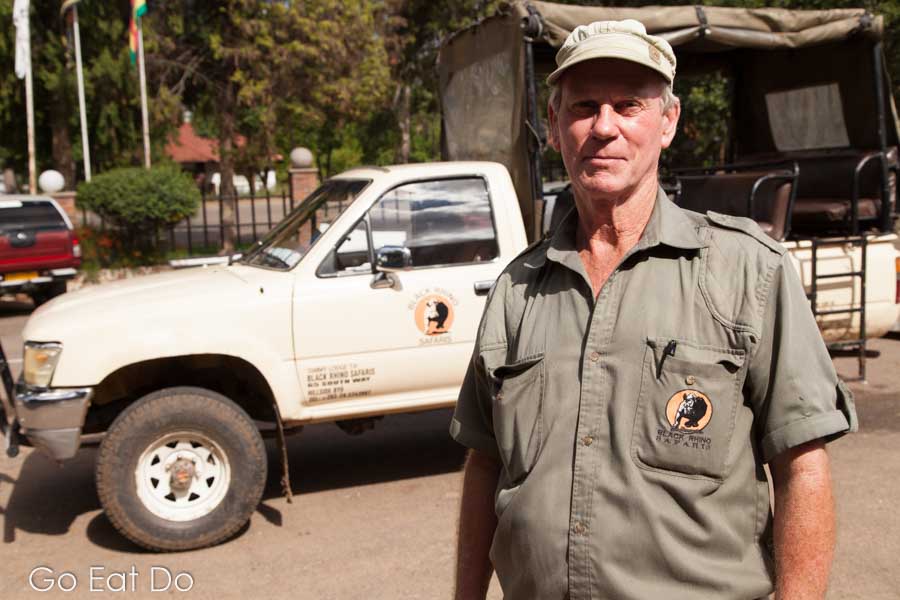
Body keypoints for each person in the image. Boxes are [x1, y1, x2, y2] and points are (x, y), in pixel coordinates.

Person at [450, 19, 857, 600]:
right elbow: (485, 464)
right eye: (584, 106)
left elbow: (802, 464)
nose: (604, 128)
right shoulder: (518, 288)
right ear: (555, 125)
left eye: (629, 105)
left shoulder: (747, 271)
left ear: (667, 123)